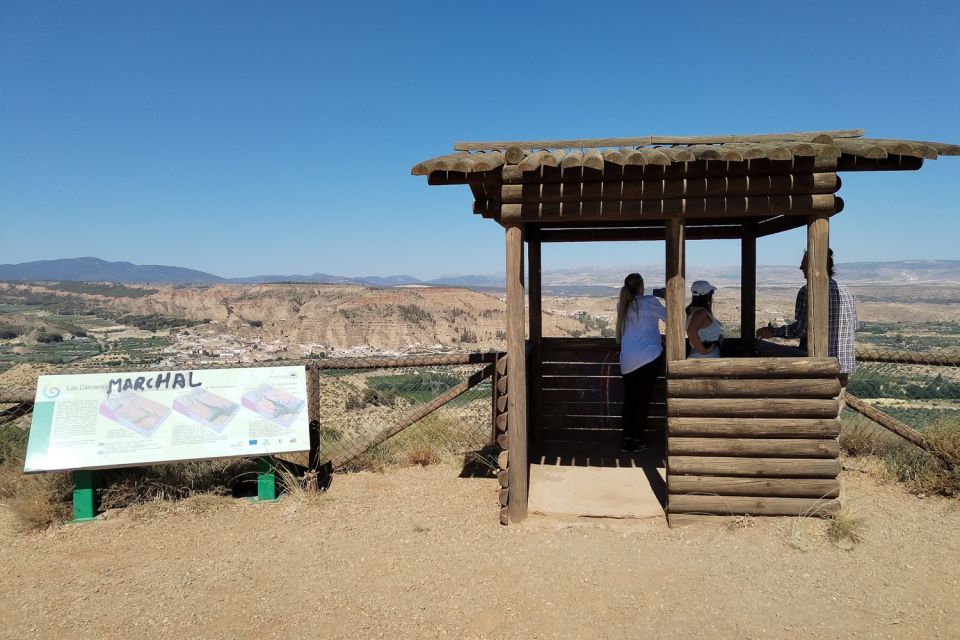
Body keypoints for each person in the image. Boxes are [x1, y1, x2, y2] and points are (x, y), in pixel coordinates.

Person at [756, 248, 858, 385]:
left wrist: (772, 332)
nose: (800, 268)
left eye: (803, 265)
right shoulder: (846, 291)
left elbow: (801, 329)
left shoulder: (808, 291)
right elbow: (855, 326)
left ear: (813, 267)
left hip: (820, 364)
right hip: (843, 363)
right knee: (836, 401)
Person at [615, 272, 666, 452]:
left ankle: (626, 439)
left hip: (627, 360)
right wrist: (668, 299)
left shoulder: (622, 305)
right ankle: (637, 440)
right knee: (642, 400)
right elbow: (672, 319)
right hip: (648, 358)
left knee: (630, 400)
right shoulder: (650, 302)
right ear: (642, 287)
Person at [686, 280, 723, 358]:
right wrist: (704, 352)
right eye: (711, 292)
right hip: (705, 357)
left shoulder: (694, 310)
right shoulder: (700, 313)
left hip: (702, 355)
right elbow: (691, 332)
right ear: (707, 295)